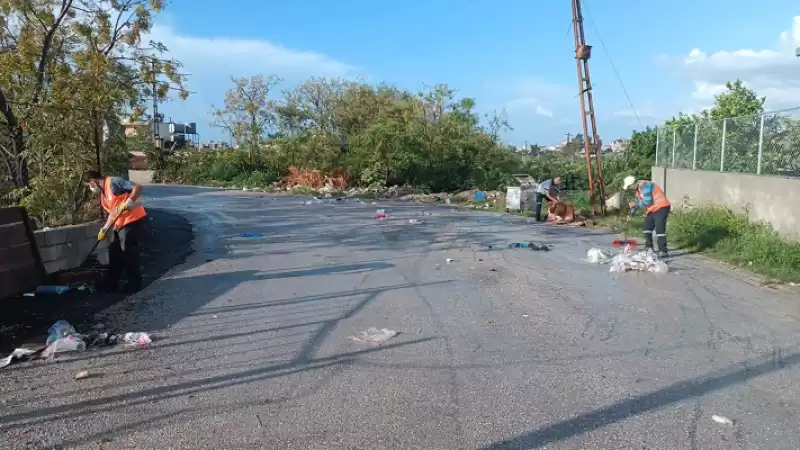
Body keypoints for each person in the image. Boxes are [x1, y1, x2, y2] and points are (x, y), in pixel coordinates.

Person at [83, 170, 147, 292]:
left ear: (92, 180)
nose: (90, 188)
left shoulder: (114, 182)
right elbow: (113, 213)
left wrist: (129, 201)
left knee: (128, 253)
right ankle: (110, 284)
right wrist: (105, 228)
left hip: (132, 220)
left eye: (88, 185)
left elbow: (138, 187)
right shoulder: (103, 194)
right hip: (120, 224)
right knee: (115, 254)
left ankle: (134, 284)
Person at [623, 175, 671, 258]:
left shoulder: (646, 185)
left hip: (662, 207)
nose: (629, 188)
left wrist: (636, 204)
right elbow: (637, 204)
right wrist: (631, 213)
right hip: (652, 209)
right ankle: (649, 247)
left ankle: (663, 251)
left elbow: (648, 201)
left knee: (660, 229)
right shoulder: (638, 191)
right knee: (646, 228)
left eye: (629, 186)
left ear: (633, 184)